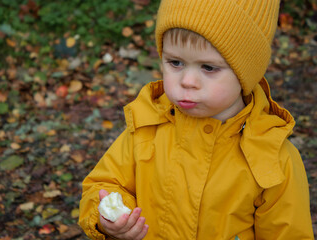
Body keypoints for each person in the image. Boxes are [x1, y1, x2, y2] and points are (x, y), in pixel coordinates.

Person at [79, 0, 315, 239]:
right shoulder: (146, 128)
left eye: (209, 68)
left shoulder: (272, 158)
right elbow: (103, 184)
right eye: (176, 63)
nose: (187, 81)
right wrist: (110, 216)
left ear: (246, 73)